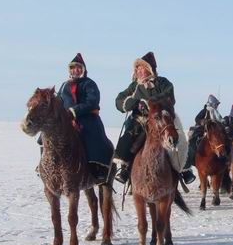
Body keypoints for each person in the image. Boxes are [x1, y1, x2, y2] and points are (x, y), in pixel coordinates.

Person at [114, 52, 195, 185]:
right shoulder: (134, 86)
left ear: (150, 69)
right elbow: (119, 100)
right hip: (142, 119)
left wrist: (148, 102)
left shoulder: (163, 82)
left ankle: (184, 169)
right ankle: (125, 168)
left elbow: (168, 96)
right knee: (129, 136)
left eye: (142, 68)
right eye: (137, 69)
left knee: (178, 139)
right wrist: (133, 101)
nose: (139, 71)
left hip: (163, 118)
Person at [51, 53, 114, 183]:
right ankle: (48, 165)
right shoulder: (64, 85)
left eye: (78, 67)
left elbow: (92, 101)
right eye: (73, 68)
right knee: (46, 136)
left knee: (92, 134)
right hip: (66, 119)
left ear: (83, 69)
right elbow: (59, 102)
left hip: (86, 117)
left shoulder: (89, 84)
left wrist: (74, 111)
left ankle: (98, 166)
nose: (76, 70)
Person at [185, 94, 224, 172]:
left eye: (217, 104)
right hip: (203, 131)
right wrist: (203, 121)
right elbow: (197, 119)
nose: (217, 106)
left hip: (214, 133)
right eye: (216, 104)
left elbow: (221, 120)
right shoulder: (205, 111)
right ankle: (190, 161)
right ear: (212, 103)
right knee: (193, 144)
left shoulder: (216, 113)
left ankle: (225, 160)